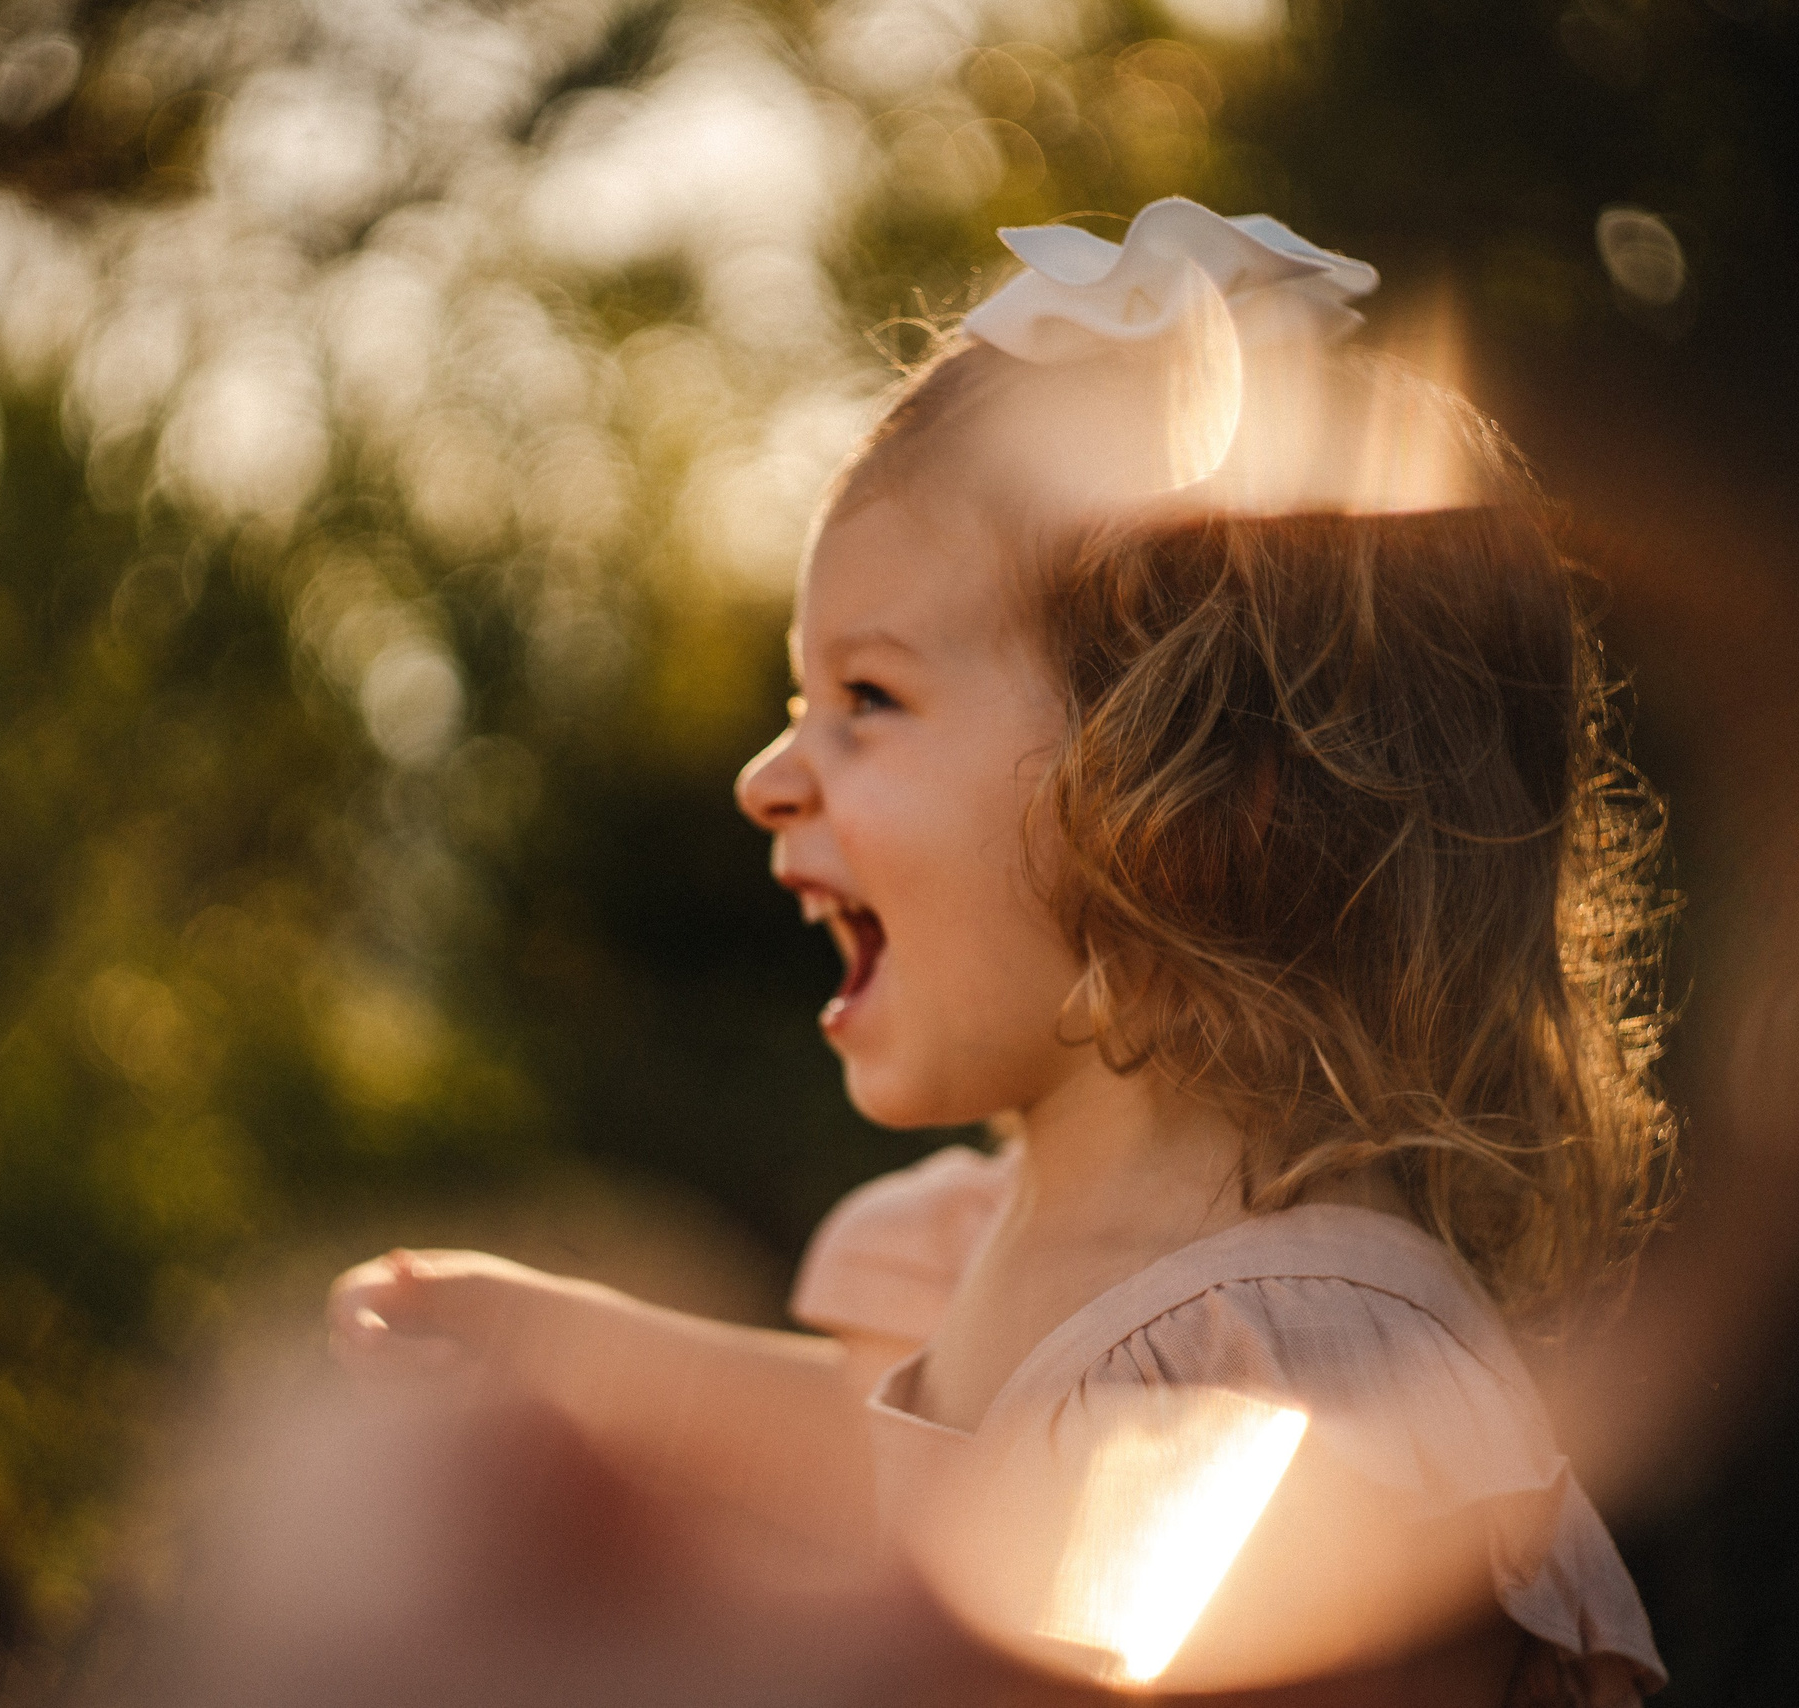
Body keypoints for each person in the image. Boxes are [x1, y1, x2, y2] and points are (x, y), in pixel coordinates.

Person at [329, 199, 1674, 1706]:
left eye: (870, 699)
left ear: (1184, 804)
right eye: (801, 700)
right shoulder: (998, 1243)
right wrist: (556, 1353)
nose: (765, 777)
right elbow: (890, 1495)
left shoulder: (1295, 1369)